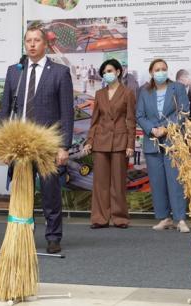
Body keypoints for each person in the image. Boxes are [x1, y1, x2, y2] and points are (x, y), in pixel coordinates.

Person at [0, 26, 74, 254]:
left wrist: (64, 146)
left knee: (50, 192)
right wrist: (4, 145)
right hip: (20, 144)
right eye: (28, 41)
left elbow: (67, 113)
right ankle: (23, 234)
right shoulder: (15, 72)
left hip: (47, 145)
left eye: (36, 41)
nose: (31, 45)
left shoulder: (60, 72)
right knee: (22, 191)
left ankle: (53, 237)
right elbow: (5, 110)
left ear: (45, 44)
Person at [136, 58, 190, 233]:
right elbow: (140, 115)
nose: (161, 72)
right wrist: (152, 129)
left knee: (176, 181)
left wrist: (166, 128)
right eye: (157, 69)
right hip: (152, 142)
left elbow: (183, 111)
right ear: (151, 72)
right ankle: (164, 218)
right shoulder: (144, 91)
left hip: (172, 140)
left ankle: (180, 219)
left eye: (163, 69)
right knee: (157, 181)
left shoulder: (178, 88)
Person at [83, 58, 136, 229]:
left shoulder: (128, 93)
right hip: (100, 142)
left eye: (110, 71)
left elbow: (130, 121)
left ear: (118, 72)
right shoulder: (99, 94)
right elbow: (94, 121)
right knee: (100, 183)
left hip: (120, 142)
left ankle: (120, 218)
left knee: (118, 182)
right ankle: (99, 218)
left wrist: (130, 145)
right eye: (104, 73)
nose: (107, 75)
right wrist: (89, 141)